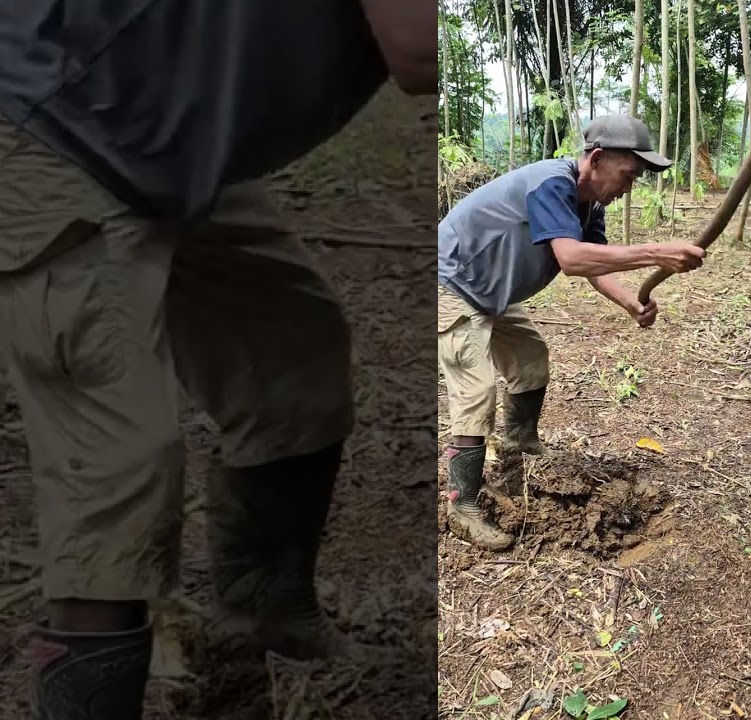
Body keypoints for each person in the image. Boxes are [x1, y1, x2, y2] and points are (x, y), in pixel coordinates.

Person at [0, 1, 434, 717]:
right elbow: (419, 43)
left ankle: (263, 632)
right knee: (115, 461)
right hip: (48, 118)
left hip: (158, 132)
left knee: (290, 351)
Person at [438, 115, 707, 550]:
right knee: (476, 390)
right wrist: (656, 251)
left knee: (529, 359)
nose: (628, 188)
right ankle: (462, 504)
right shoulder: (551, 183)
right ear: (596, 158)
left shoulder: (590, 204)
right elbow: (572, 259)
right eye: (628, 175)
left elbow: (595, 261)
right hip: (451, 284)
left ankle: (518, 443)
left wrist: (630, 302)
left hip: (492, 292)